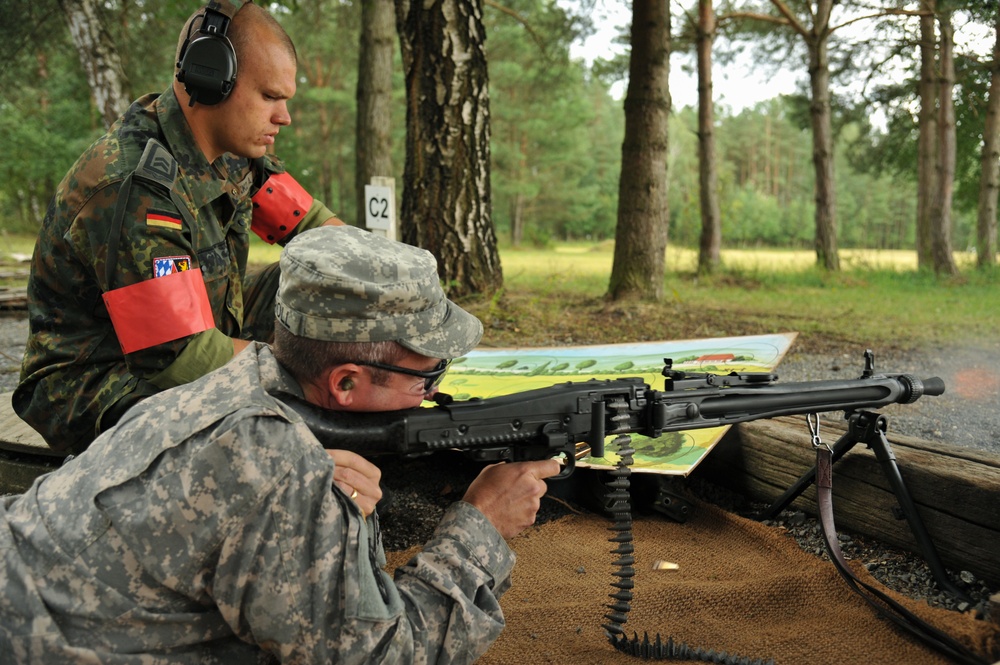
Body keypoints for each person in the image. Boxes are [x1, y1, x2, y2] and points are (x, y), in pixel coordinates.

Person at [0, 224, 562, 663]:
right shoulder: (281, 467)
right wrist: (479, 526)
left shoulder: (230, 386)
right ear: (344, 381)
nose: (431, 391)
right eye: (427, 377)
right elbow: (382, 654)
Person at [14, 0, 343, 453]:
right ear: (211, 79)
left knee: (322, 282)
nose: (284, 117)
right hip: (98, 380)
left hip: (193, 336)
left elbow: (319, 231)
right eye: (269, 97)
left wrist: (388, 293)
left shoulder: (236, 153)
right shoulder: (132, 186)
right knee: (260, 435)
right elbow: (181, 356)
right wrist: (315, 375)